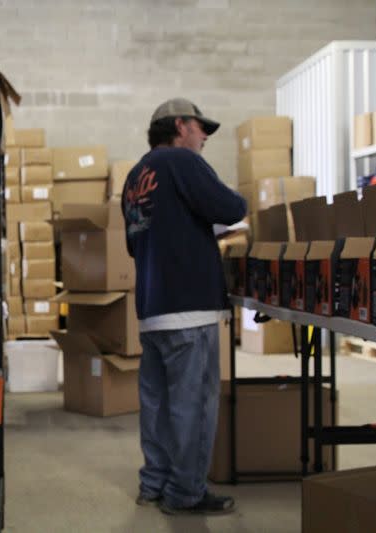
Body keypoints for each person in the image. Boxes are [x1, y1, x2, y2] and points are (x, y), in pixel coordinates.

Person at [120, 98, 247, 515]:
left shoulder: (137, 176)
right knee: (193, 405)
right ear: (179, 125)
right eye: (200, 126)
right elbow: (231, 208)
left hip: (153, 310)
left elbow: (135, 244)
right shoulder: (180, 161)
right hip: (190, 307)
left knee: (156, 405)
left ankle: (153, 484)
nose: (205, 135)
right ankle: (185, 494)